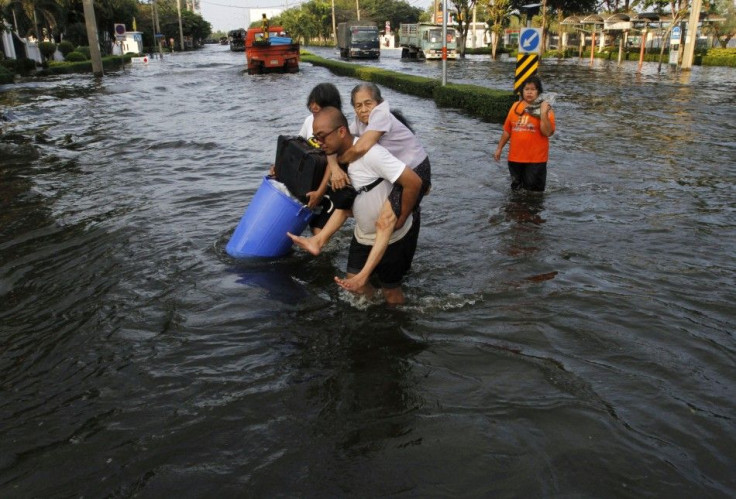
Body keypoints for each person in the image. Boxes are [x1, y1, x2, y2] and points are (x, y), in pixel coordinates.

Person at [288, 107, 423, 305]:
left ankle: (396, 322)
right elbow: (345, 206)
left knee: (391, 294)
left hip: (394, 237)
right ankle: (374, 309)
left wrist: (402, 215)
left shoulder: (372, 154)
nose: (320, 143)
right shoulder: (338, 155)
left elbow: (414, 182)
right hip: (363, 235)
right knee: (355, 288)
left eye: (322, 137)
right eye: (316, 138)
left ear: (342, 131)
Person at [270, 83, 344, 234]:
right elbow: (297, 148)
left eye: (318, 111)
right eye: (313, 111)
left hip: (330, 185)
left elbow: (333, 164)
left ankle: (328, 253)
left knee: (318, 230)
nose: (315, 116)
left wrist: (320, 192)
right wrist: (277, 167)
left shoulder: (338, 126)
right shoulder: (309, 120)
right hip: (311, 182)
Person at [493, 75, 555, 192]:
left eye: (533, 89)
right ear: (522, 91)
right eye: (526, 89)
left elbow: (547, 132)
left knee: (533, 193)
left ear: (538, 92)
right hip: (515, 158)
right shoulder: (515, 107)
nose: (529, 92)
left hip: (536, 160)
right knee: (516, 190)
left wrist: (543, 113)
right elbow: (507, 130)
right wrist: (499, 148)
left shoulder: (546, 109)